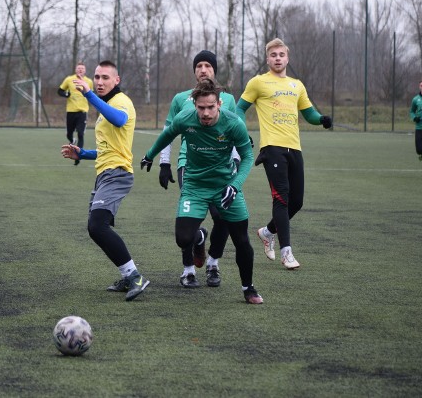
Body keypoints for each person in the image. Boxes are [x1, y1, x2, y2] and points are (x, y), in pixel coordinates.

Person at [141, 79, 263, 304]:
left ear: (219, 104)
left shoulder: (233, 123)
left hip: (225, 186)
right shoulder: (184, 119)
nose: (205, 113)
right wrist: (150, 154)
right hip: (195, 185)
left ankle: (249, 288)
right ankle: (199, 240)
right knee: (182, 238)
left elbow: (247, 158)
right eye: (201, 108)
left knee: (241, 240)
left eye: (210, 107)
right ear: (195, 105)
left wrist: (234, 186)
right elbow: (167, 135)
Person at [236, 38, 333, 270]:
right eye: (273, 55)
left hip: (294, 148)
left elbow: (308, 114)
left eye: (281, 54)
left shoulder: (296, 85)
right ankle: (286, 252)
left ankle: (267, 231)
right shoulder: (258, 83)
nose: (277, 58)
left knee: (296, 202)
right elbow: (239, 109)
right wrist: (242, 133)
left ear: (287, 58)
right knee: (281, 198)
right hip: (272, 149)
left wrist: (321, 120)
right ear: (267, 59)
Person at [60, 60, 149, 301]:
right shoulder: (106, 104)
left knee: (97, 226)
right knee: (98, 228)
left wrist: (89, 95)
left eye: (105, 78)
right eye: (97, 77)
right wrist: (83, 153)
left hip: (118, 173)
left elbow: (119, 120)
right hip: (105, 173)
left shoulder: (121, 102)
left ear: (116, 80)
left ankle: (135, 276)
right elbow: (108, 150)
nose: (99, 82)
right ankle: (127, 275)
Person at [157, 50, 243, 288]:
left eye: (208, 65)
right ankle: (188, 270)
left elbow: (236, 134)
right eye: (199, 66)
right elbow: (167, 133)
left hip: (222, 168)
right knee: (188, 223)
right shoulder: (180, 99)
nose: (203, 69)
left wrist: (235, 162)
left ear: (214, 70)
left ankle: (213, 263)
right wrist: (164, 163)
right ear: (194, 71)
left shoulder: (228, 99)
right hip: (190, 166)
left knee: (223, 217)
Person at [58, 62, 93, 165]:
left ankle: (79, 155)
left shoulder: (89, 81)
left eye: (82, 68)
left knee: (81, 134)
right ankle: (72, 140)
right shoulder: (69, 79)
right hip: (71, 111)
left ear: (85, 70)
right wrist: (66, 94)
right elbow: (59, 91)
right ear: (75, 70)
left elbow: (91, 94)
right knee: (69, 133)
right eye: (79, 68)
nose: (80, 70)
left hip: (82, 112)